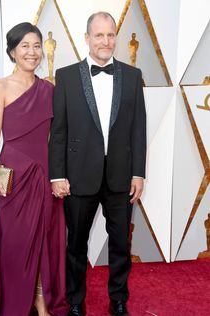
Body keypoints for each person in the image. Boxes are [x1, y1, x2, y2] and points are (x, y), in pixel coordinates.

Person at [49, 12, 146, 316]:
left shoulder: (132, 75)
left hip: (120, 176)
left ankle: (118, 301)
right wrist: (58, 176)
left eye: (111, 35)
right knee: (75, 246)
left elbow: (138, 128)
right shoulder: (65, 76)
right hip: (78, 177)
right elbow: (59, 131)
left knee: (120, 246)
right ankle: (76, 303)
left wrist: (138, 172)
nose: (106, 41)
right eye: (99, 35)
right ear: (87, 38)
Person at [0, 22, 68, 316]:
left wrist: (60, 174)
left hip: (43, 173)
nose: (32, 53)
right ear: (12, 51)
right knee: (17, 244)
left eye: (36, 46)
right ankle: (19, 301)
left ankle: (41, 301)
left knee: (44, 239)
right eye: (25, 46)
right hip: (14, 175)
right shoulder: (1, 86)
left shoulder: (49, 89)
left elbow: (57, 136)